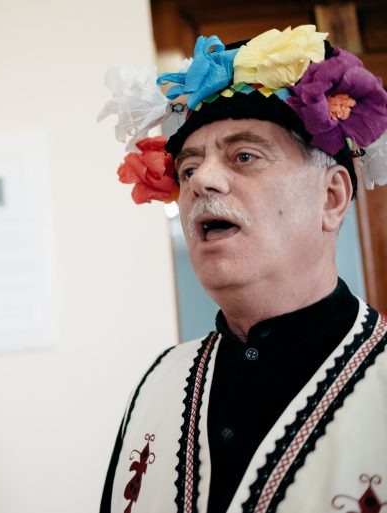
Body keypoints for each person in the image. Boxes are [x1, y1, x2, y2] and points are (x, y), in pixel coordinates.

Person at [97, 26, 387, 513]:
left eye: (244, 156)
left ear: (332, 198)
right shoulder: (158, 383)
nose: (201, 181)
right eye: (188, 169)